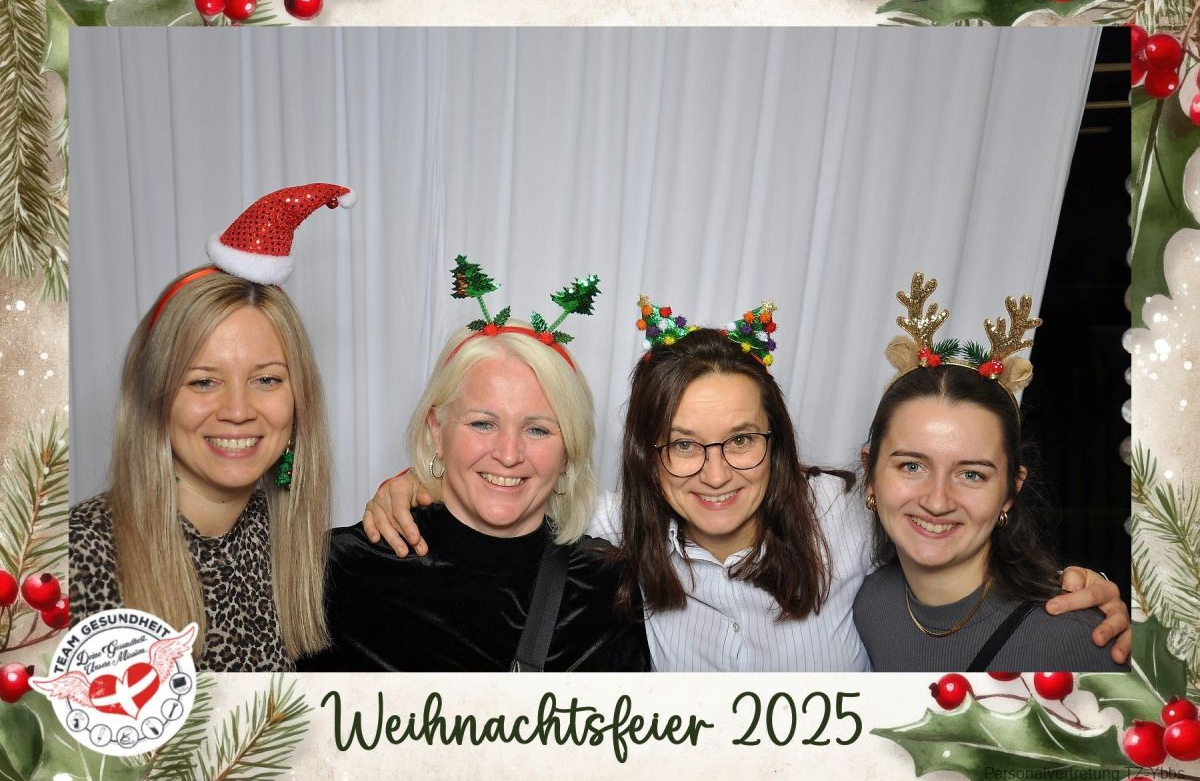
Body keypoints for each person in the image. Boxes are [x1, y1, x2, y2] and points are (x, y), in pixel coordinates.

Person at [364, 295, 1132, 670]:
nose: (716, 472)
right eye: (684, 446)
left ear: (777, 442)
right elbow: (513, 488)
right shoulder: (616, 525)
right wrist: (416, 483)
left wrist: (1071, 593)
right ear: (649, 457)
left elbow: (940, 517)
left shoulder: (843, 515)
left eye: (741, 440)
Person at [300, 264, 651, 671]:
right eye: (483, 424)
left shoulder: (610, 590)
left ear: (568, 452)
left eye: (537, 429)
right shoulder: (337, 570)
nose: (508, 454)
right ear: (437, 430)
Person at [70, 182, 352, 671]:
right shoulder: (78, 559)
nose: (237, 410)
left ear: (299, 399)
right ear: (155, 397)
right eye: (203, 382)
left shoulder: (300, 549)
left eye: (266, 379)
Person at [853, 273, 1125, 671]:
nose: (937, 501)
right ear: (870, 474)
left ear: (1010, 492)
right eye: (912, 466)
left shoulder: (1078, 641)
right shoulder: (868, 605)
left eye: (971, 474)